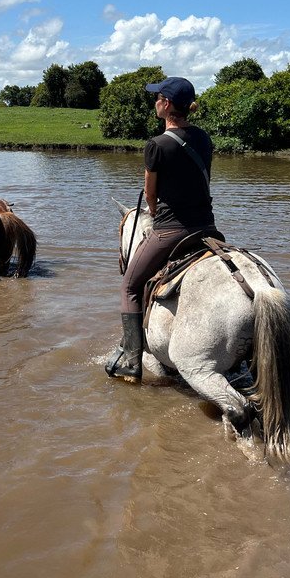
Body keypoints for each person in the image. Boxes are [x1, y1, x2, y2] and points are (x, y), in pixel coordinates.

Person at [106, 76, 218, 382]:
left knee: (129, 286)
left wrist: (154, 212)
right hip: (207, 227)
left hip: (171, 231)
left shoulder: (156, 145)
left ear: (166, 104)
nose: (154, 101)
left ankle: (131, 361)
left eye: (158, 98)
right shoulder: (204, 138)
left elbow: (151, 197)